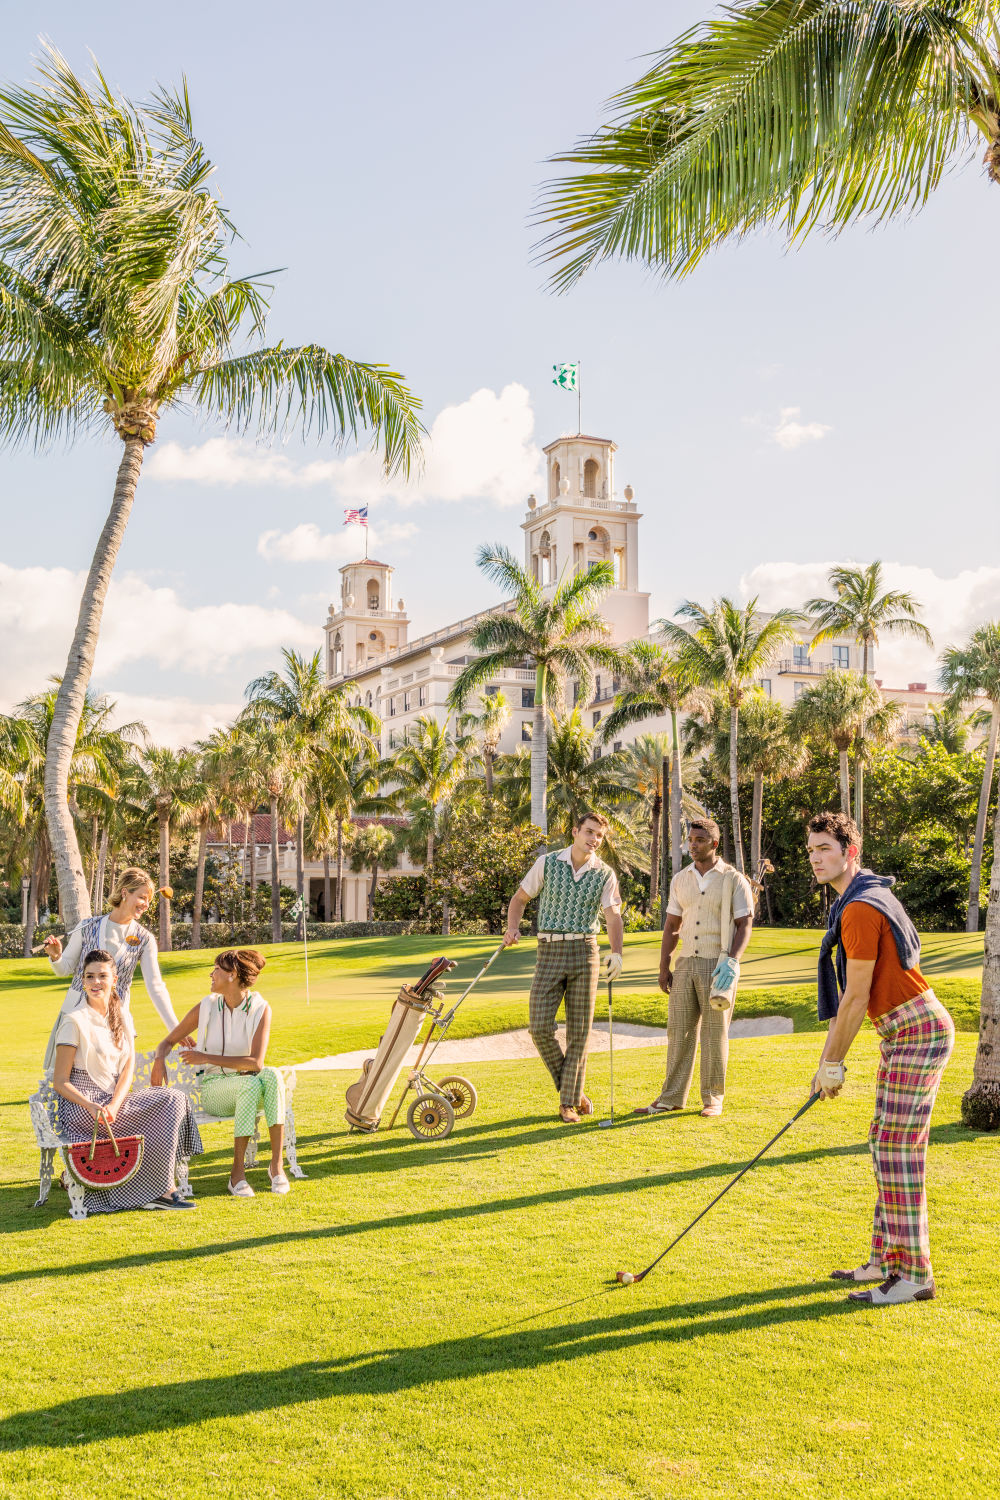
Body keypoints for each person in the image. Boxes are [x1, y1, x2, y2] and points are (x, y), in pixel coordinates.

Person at [807, 810, 955, 1306]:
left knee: (897, 1149)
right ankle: (884, 1260)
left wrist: (832, 1065)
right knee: (884, 1141)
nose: (815, 858)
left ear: (850, 852)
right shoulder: (861, 897)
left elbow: (855, 996)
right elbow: (852, 1001)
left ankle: (913, 1276)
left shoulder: (858, 908)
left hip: (917, 1029)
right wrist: (826, 1063)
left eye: (824, 849)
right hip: (907, 1030)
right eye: (811, 850)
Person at [52, 949, 202, 1213]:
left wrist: (115, 1105)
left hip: (112, 1103)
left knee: (174, 1098)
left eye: (102, 976)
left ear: (114, 979)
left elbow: (127, 1070)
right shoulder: (73, 1021)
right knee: (170, 1100)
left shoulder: (123, 1015)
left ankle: (160, 1189)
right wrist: (92, 1106)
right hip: (82, 1108)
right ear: (82, 980)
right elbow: (60, 1082)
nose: (95, 982)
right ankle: (164, 1192)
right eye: (89, 976)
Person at [503, 811, 624, 1124]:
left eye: (599, 835)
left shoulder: (605, 873)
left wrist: (617, 953)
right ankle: (574, 1091)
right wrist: (512, 927)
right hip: (549, 951)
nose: (594, 839)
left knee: (579, 1033)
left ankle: (567, 1103)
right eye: (589, 832)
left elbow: (613, 916)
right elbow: (519, 899)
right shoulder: (547, 863)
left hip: (585, 952)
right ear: (575, 831)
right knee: (539, 1027)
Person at [635, 817, 754, 1119]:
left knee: (714, 1035)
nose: (693, 845)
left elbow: (744, 924)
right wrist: (664, 967)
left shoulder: (733, 879)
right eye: (690, 839)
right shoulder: (680, 879)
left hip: (719, 965)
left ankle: (713, 1098)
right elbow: (672, 925)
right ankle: (671, 1098)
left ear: (714, 843)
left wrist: (732, 961)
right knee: (679, 1034)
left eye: (699, 840)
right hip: (685, 963)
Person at [154, 949, 291, 1197]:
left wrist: (205, 1057)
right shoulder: (207, 1006)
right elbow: (167, 1042)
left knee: (272, 1074)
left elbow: (256, 1063)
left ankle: (277, 1166)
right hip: (215, 1090)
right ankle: (237, 1174)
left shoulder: (260, 1008)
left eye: (216, 969)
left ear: (232, 975)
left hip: (248, 1085)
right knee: (250, 1084)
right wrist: (159, 1059)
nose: (211, 974)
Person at [42, 867, 181, 1071]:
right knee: (67, 1078)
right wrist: (56, 956)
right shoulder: (87, 926)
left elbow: (156, 986)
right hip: (76, 1016)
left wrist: (176, 1030)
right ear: (124, 892)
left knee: (111, 1080)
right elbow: (64, 969)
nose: (146, 904)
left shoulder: (145, 939)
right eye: (142, 897)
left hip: (114, 1022)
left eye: (149, 900)